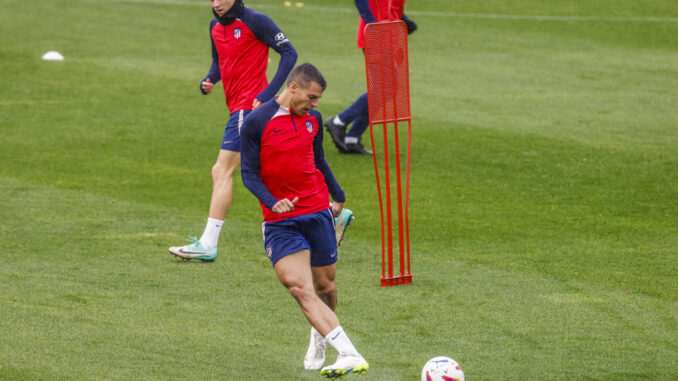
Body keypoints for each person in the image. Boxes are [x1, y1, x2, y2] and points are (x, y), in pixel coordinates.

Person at [240, 63, 369, 378]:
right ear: (293, 87)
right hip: (280, 220)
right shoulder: (256, 121)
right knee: (299, 286)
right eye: (312, 97)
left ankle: (320, 333)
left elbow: (319, 159)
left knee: (325, 285)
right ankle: (350, 354)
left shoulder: (312, 120)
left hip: (317, 212)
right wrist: (272, 201)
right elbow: (247, 173)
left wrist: (337, 194)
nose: (315, 105)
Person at [169, 0, 297, 261]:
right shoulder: (215, 26)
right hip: (242, 108)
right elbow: (219, 61)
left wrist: (268, 93)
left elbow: (289, 53)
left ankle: (208, 243)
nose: (216, 4)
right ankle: (330, 211)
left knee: (222, 170)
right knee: (271, 170)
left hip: (247, 109)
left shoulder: (256, 21)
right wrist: (209, 79)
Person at [325, 0, 417, 155]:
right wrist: (372, 26)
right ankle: (339, 121)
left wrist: (404, 20)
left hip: (389, 36)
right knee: (386, 88)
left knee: (385, 89)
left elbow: (390, 4)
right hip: (377, 36)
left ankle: (352, 138)